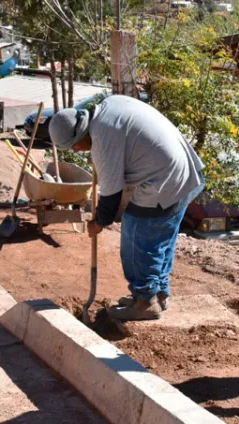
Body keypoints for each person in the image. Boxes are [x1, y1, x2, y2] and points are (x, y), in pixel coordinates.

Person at [50, 94, 205, 321]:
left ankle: (145, 300)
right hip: (186, 172)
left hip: (166, 180)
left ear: (79, 138)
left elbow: (111, 197)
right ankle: (157, 293)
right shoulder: (110, 104)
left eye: (74, 148)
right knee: (159, 238)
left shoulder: (102, 140)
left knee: (136, 233)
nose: (76, 152)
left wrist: (98, 223)